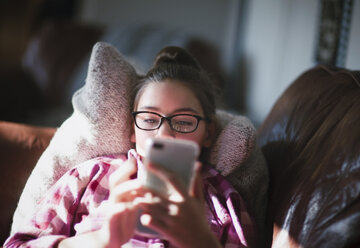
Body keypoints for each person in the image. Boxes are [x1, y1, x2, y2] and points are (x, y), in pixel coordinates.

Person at [5, 46, 257, 247]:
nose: (164, 134)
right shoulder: (88, 178)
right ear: (132, 130)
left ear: (208, 133)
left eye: (183, 122)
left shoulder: (224, 201)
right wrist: (101, 239)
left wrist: (200, 241)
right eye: (149, 119)